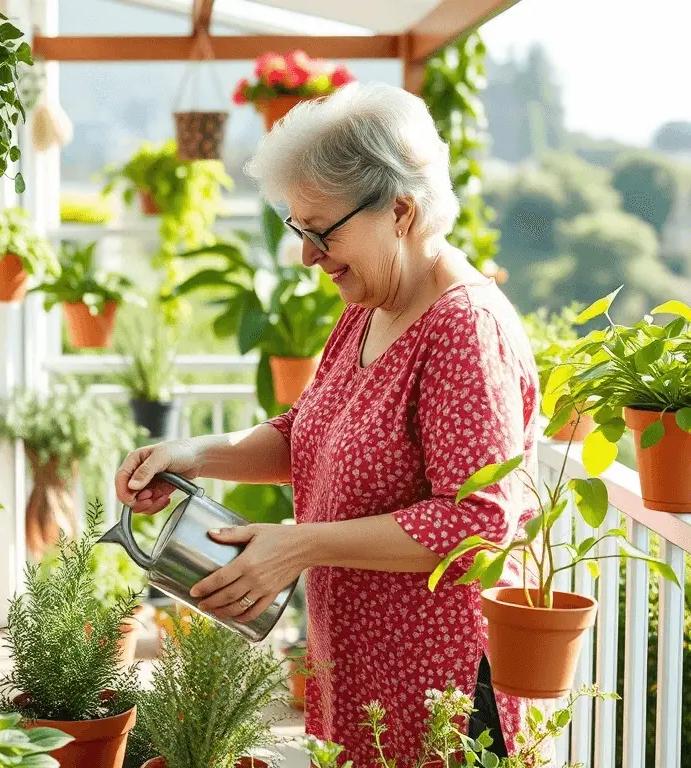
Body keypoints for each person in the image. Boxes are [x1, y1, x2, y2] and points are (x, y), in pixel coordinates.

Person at [115, 82, 539, 763]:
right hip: (364, 679)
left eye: (321, 229)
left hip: (442, 690)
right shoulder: (370, 307)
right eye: (297, 227)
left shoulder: (465, 329)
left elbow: (476, 526)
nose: (307, 254)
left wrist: (300, 544)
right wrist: (192, 454)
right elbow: (307, 429)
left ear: (400, 210)